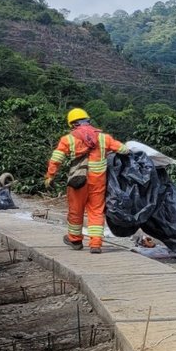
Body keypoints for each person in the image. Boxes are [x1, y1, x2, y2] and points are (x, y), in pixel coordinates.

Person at [44, 108, 130, 253]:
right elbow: (123, 150)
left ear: (72, 124)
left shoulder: (68, 139)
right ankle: (95, 244)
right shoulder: (103, 138)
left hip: (78, 180)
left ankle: (75, 240)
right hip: (98, 181)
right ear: (88, 121)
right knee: (96, 211)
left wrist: (50, 176)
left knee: (76, 210)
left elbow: (56, 158)